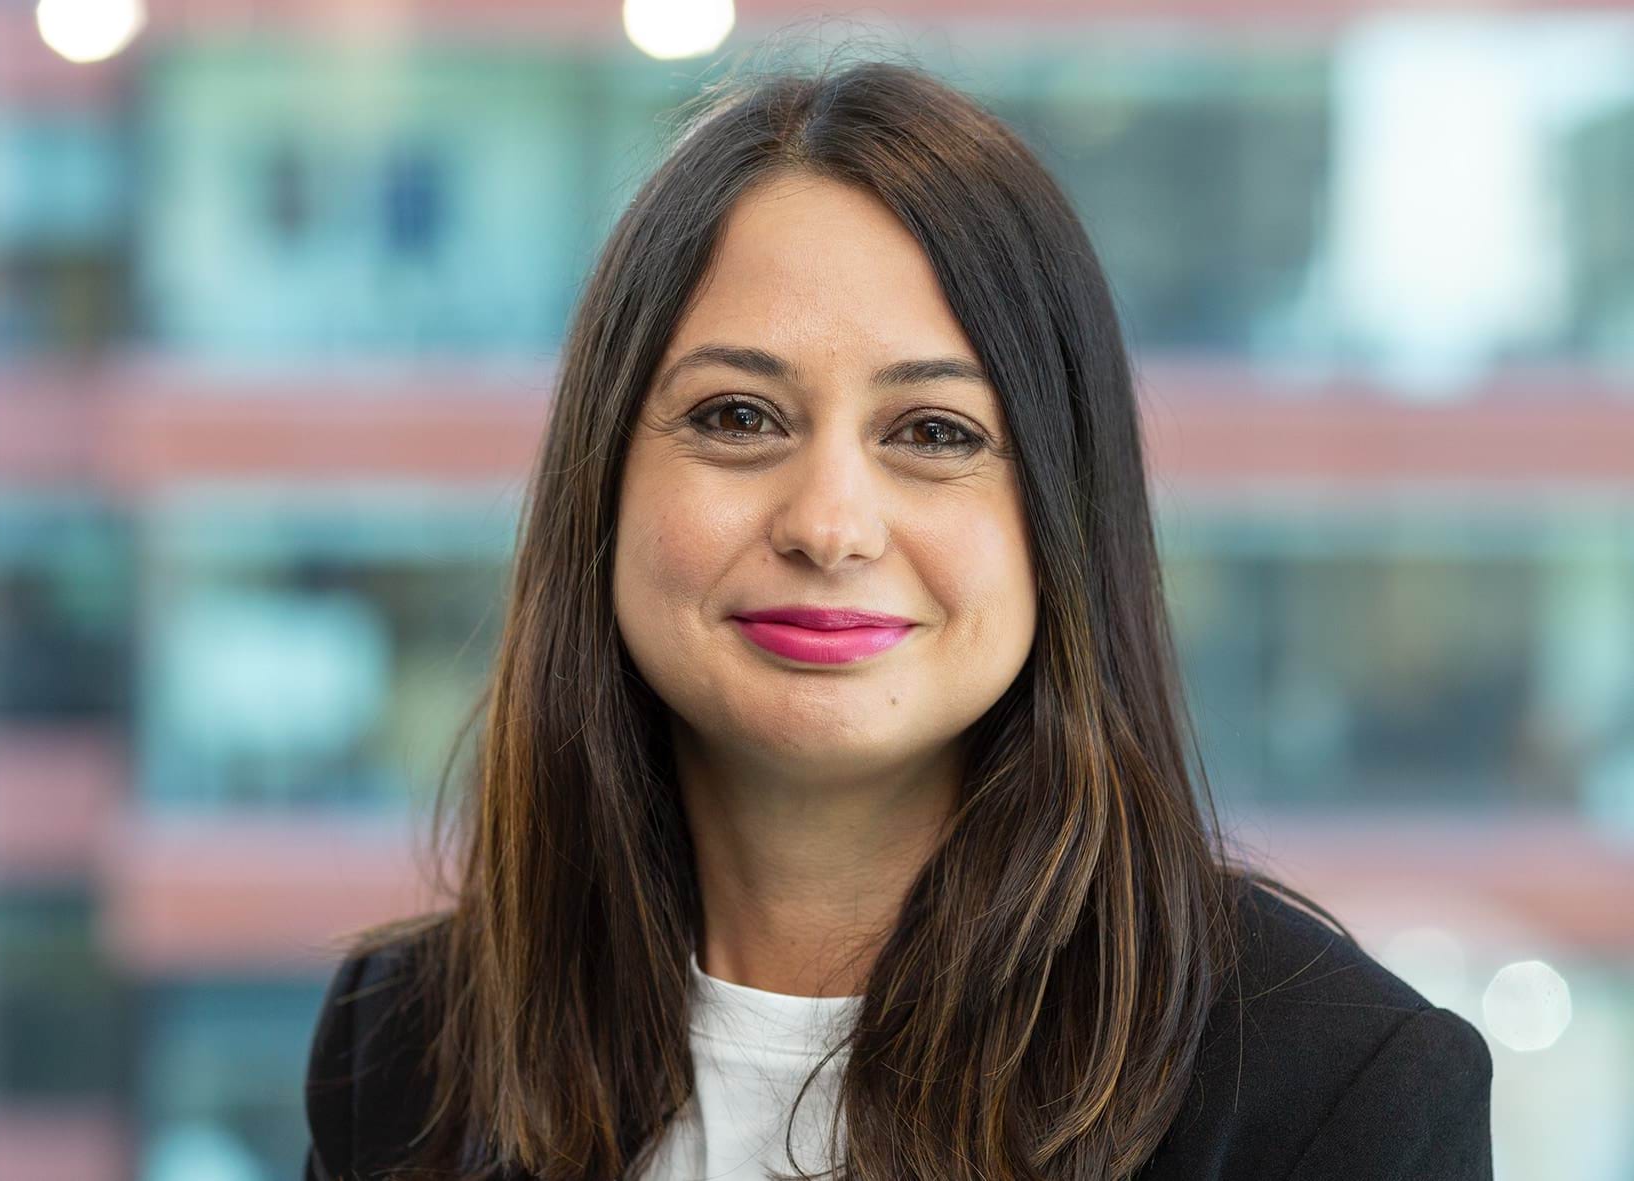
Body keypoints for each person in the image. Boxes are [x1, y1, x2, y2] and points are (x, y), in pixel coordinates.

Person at [301, 53, 1494, 1181]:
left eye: (933, 433)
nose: (827, 523)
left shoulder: (1340, 1093)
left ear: (1063, 525)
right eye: (735, 416)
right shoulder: (402, 1044)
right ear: (602, 483)